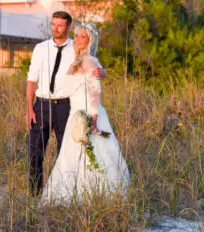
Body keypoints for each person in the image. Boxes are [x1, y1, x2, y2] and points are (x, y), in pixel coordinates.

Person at [40, 23, 129, 204]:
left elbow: (95, 91)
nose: (78, 40)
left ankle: (95, 196)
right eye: (77, 35)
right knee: (70, 156)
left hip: (88, 113)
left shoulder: (88, 61)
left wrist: (93, 119)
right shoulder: (75, 59)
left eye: (83, 37)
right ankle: (70, 195)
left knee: (93, 155)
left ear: (90, 40)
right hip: (74, 112)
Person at [26, 11, 105, 196]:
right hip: (41, 105)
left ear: (68, 27)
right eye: (53, 24)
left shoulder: (76, 47)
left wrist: (103, 71)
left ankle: (65, 193)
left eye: (60, 25)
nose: (55, 28)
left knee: (66, 153)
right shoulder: (40, 48)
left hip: (65, 107)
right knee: (34, 154)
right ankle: (35, 195)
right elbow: (31, 80)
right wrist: (29, 108)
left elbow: (93, 64)